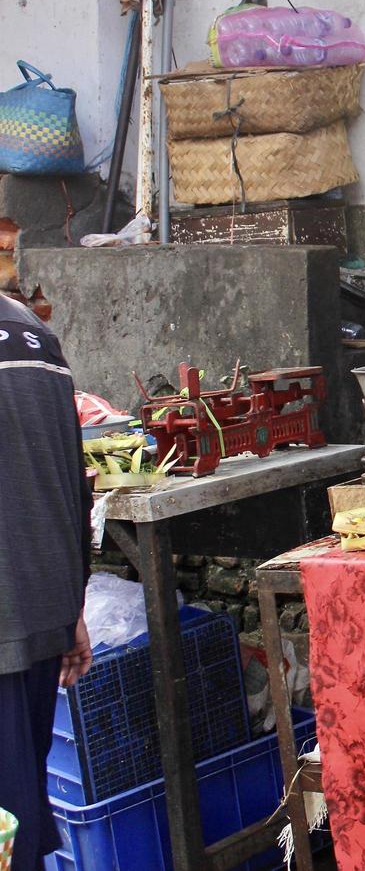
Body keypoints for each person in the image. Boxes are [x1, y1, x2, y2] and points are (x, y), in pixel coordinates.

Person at [0, 296, 94, 870]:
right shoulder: (31, 331)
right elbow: (69, 474)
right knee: (16, 826)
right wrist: (71, 604)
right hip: (39, 609)